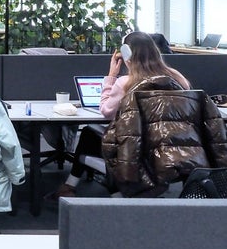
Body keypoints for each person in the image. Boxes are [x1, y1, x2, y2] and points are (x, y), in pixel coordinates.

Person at [53, 31, 191, 198]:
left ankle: (70, 186)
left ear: (126, 53)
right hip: (169, 150)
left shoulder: (125, 83)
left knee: (90, 133)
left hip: (134, 152)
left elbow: (106, 111)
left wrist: (111, 76)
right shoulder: (178, 79)